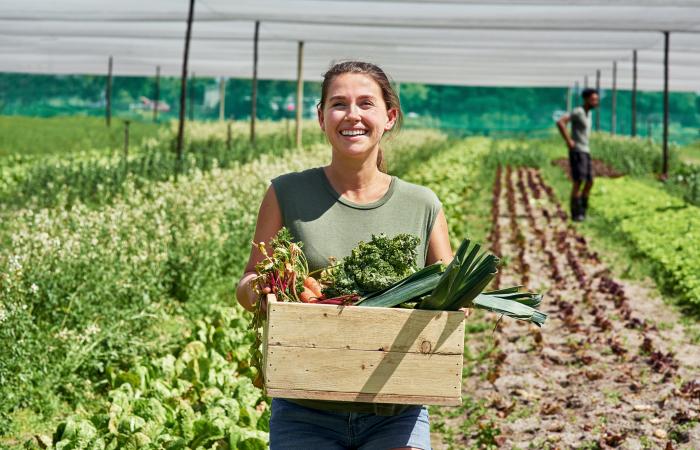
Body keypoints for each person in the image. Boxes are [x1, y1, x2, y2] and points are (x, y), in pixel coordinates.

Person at [236, 61, 455, 450]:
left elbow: (452, 295)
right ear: (321, 117)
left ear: (388, 117)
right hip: (305, 405)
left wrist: (457, 305)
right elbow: (248, 280)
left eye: (365, 104)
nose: (352, 115)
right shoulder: (286, 193)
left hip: (396, 408)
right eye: (339, 104)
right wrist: (264, 291)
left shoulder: (422, 204)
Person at [556, 87, 600, 221]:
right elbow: (561, 122)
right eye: (593, 100)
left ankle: (583, 211)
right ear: (586, 99)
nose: (595, 102)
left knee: (590, 181)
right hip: (577, 151)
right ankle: (576, 213)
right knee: (578, 181)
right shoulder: (578, 111)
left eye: (596, 100)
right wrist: (569, 140)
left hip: (586, 150)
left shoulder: (589, 113)